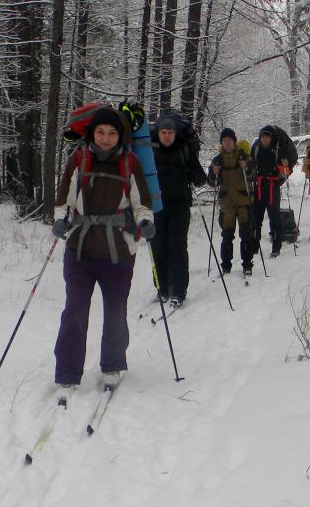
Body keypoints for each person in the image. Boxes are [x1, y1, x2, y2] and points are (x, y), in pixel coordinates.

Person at [50, 105, 155, 393]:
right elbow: (64, 198)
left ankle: (112, 365)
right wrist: (60, 220)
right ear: (91, 133)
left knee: (115, 310)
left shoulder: (130, 163)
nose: (106, 138)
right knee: (75, 310)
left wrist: (145, 221)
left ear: (119, 135)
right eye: (100, 132)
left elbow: (141, 201)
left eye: (111, 133)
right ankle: (67, 372)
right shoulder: (79, 159)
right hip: (80, 249)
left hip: (118, 249)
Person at [151, 113, 207, 307]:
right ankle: (162, 288)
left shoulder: (185, 150)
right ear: (158, 134)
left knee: (177, 247)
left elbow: (200, 177)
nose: (167, 136)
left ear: (175, 134)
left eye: (170, 133)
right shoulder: (151, 151)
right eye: (163, 132)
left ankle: (178, 290)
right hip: (157, 206)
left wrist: (193, 174)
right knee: (158, 247)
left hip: (179, 205)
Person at [208, 127, 256, 277]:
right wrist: (213, 173)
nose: (227, 143)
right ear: (221, 143)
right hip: (226, 204)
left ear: (234, 141)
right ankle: (226, 266)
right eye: (224, 140)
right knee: (227, 236)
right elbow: (212, 183)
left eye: (229, 140)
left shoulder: (244, 157)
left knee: (246, 235)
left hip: (243, 202)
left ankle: (247, 265)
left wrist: (246, 168)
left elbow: (253, 176)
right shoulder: (217, 160)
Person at [250, 125, 291, 258]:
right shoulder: (255, 149)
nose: (265, 139)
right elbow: (251, 167)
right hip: (259, 186)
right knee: (256, 219)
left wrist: (285, 166)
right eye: (262, 136)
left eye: (267, 136)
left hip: (273, 187)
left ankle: (276, 247)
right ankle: (254, 246)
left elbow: (285, 172)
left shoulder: (277, 150)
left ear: (271, 137)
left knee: (274, 218)